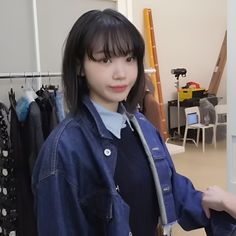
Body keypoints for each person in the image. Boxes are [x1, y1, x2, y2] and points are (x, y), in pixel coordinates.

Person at [32, 8, 236, 236]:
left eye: (129, 59)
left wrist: (215, 202)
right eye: (105, 59)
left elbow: (167, 186)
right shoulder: (63, 150)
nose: (121, 73)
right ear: (79, 65)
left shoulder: (141, 125)